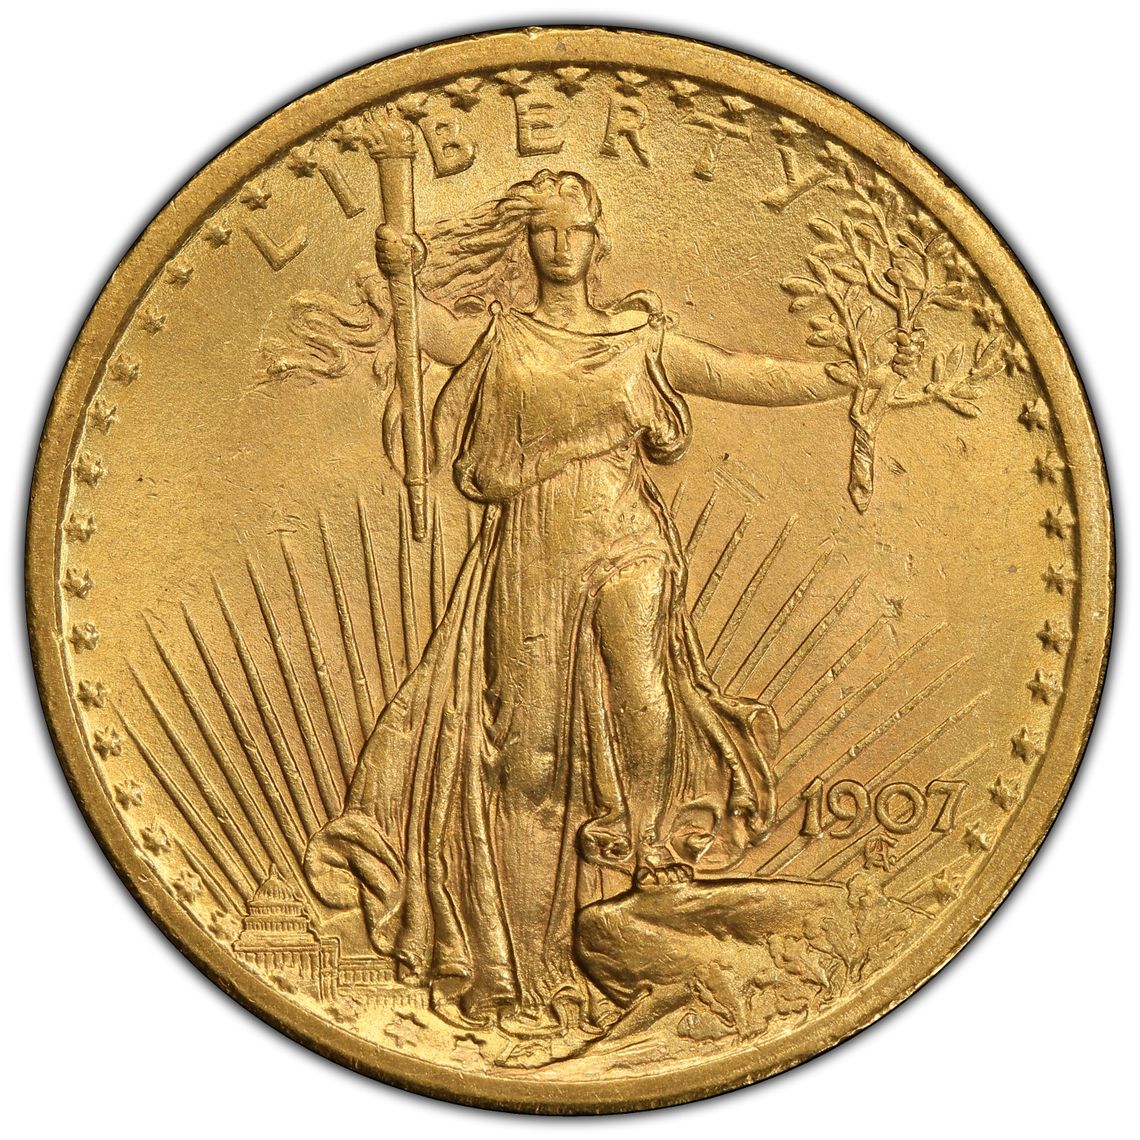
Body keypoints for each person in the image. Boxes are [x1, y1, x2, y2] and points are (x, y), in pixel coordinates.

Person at [304, 170, 849, 1037]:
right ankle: (526, 964)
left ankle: (651, 845)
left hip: (627, 532)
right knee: (529, 759)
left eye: (577, 230)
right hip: (534, 547)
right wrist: (399, 272)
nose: (561, 246)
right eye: (546, 231)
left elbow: (739, 373)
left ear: (600, 242)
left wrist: (840, 375)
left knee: (644, 684)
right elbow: (428, 331)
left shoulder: (641, 339)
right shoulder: (503, 335)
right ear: (529, 244)